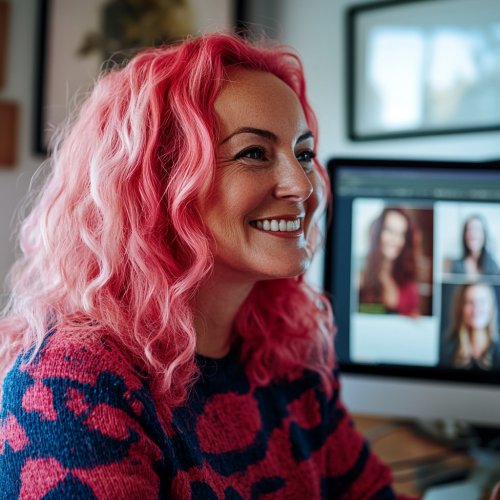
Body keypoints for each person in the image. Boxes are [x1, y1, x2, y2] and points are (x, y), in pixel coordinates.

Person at [1, 31, 496, 500]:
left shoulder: (285, 353)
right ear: (157, 185)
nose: (301, 187)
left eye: (303, 154)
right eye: (254, 153)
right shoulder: (71, 383)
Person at [359, 208, 420, 316]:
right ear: (378, 232)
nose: (395, 240)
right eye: (389, 230)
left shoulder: (410, 288)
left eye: (401, 234)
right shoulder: (360, 279)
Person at [441, 283, 500, 370]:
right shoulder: (448, 348)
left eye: (482, 301)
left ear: (491, 307)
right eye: (469, 302)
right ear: (461, 308)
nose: (476, 307)